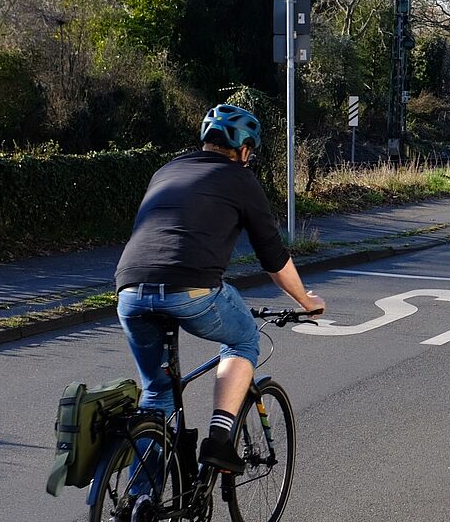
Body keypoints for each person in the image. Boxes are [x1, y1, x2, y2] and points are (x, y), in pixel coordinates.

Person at [115, 103, 325, 474]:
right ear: (244, 150)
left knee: (157, 395)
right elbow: (274, 259)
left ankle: (138, 502)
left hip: (129, 290)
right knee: (244, 338)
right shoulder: (241, 180)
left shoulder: (166, 170)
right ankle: (220, 440)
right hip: (190, 289)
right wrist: (305, 300)